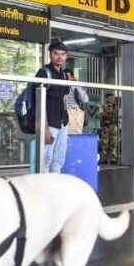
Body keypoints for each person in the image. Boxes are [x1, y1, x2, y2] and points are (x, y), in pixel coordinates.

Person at [35, 40, 77, 173]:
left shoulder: (65, 75)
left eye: (63, 54)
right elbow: (40, 102)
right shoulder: (43, 73)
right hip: (49, 123)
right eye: (56, 54)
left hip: (63, 123)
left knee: (59, 160)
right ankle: (43, 189)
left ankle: (54, 188)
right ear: (50, 55)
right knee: (45, 159)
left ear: (66, 56)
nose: (59, 57)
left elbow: (64, 98)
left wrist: (68, 120)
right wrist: (45, 128)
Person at [99, 93, 120, 165]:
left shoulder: (115, 106)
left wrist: (110, 113)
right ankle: (104, 159)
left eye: (113, 98)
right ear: (107, 98)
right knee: (104, 144)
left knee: (114, 143)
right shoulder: (103, 105)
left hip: (113, 126)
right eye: (111, 98)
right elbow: (102, 114)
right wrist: (110, 113)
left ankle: (113, 158)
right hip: (105, 127)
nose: (112, 99)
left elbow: (117, 114)